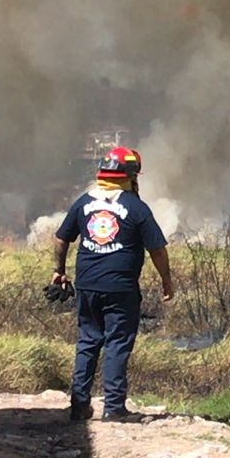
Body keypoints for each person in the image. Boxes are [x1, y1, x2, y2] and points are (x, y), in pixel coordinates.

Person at [52, 146, 175, 423]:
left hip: (86, 285)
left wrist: (58, 271)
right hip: (120, 288)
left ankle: (79, 405)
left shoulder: (82, 202)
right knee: (117, 343)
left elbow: (61, 238)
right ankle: (114, 407)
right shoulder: (136, 207)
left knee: (87, 342)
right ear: (131, 176)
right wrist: (166, 280)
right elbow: (157, 249)